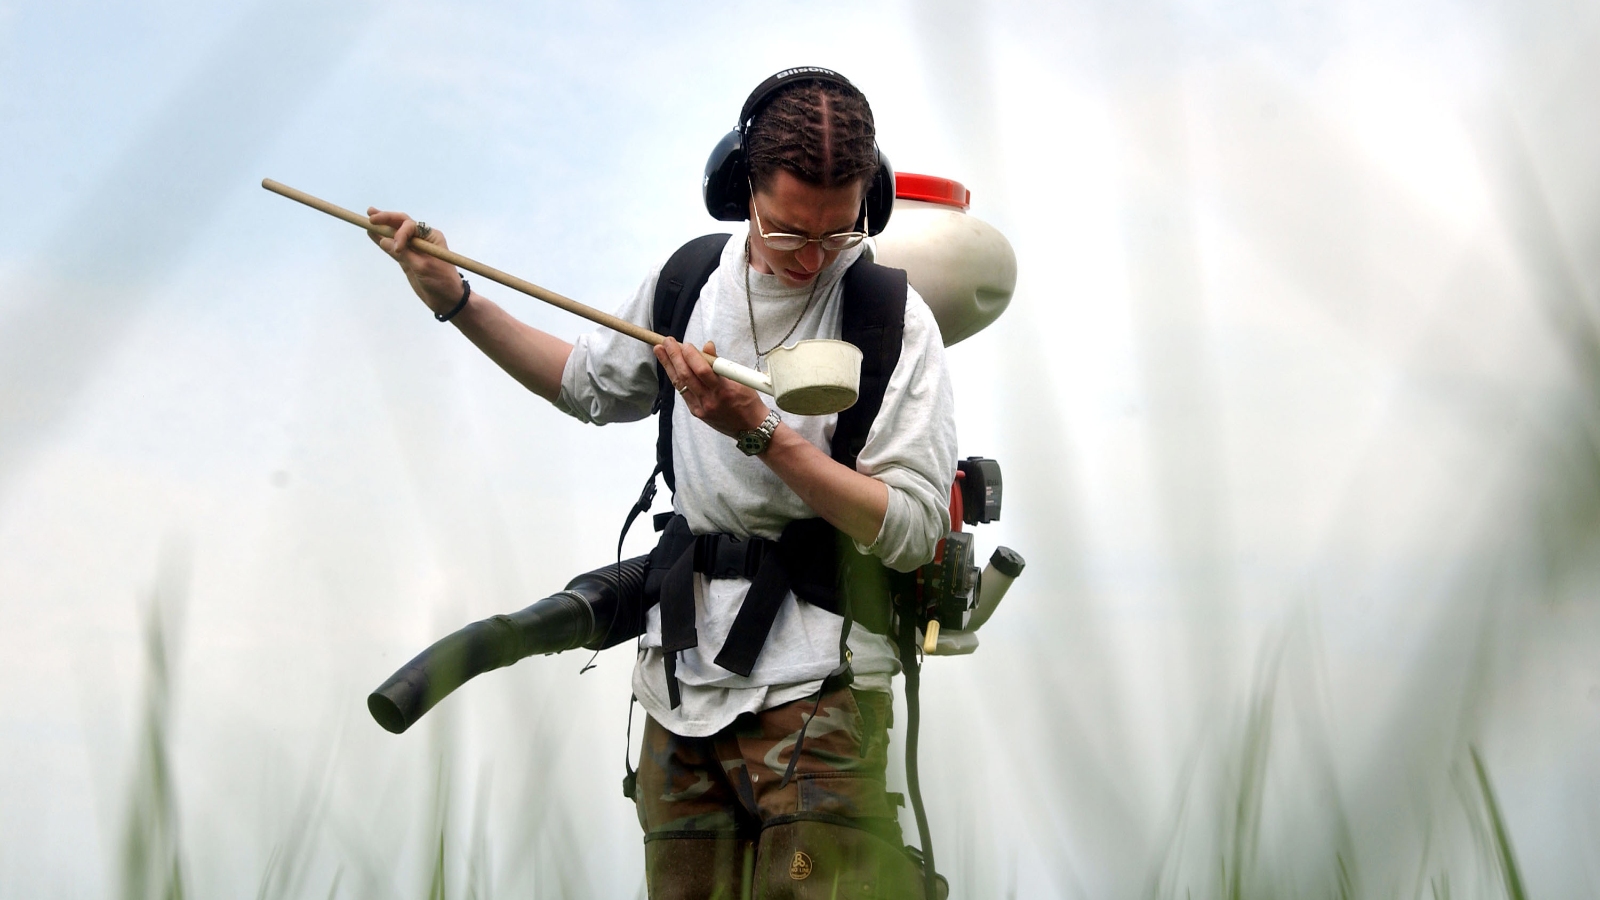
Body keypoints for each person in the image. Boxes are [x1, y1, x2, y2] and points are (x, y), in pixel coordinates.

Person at [369, 67, 956, 899]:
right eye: (789, 233)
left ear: (870, 200)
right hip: (676, 685)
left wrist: (756, 433)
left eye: (839, 231)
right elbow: (584, 385)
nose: (813, 259)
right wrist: (454, 297)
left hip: (822, 693)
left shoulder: (893, 319)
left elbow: (911, 527)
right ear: (739, 188)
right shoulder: (687, 284)